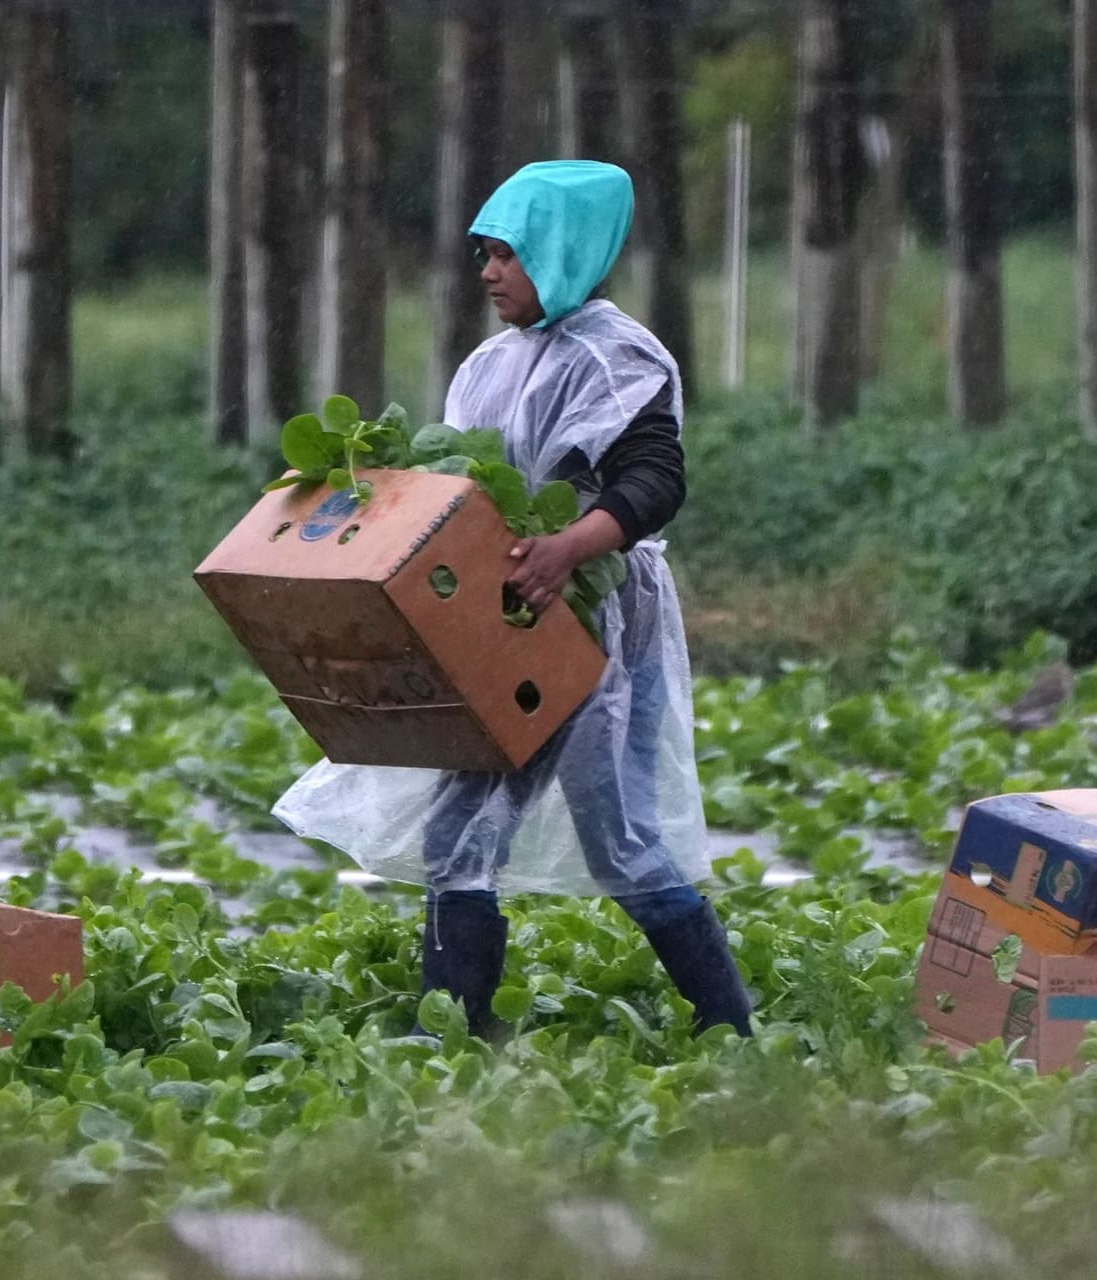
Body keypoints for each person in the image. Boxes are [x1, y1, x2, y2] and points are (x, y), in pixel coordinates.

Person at [275, 161, 750, 1041]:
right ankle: (455, 1029)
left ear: (561, 253)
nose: (487, 273)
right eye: (485, 254)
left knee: (620, 840)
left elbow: (654, 479)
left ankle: (729, 1024)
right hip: (501, 624)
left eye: (506, 254)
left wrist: (569, 546)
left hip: (592, 627)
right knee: (462, 828)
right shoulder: (492, 364)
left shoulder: (620, 357)